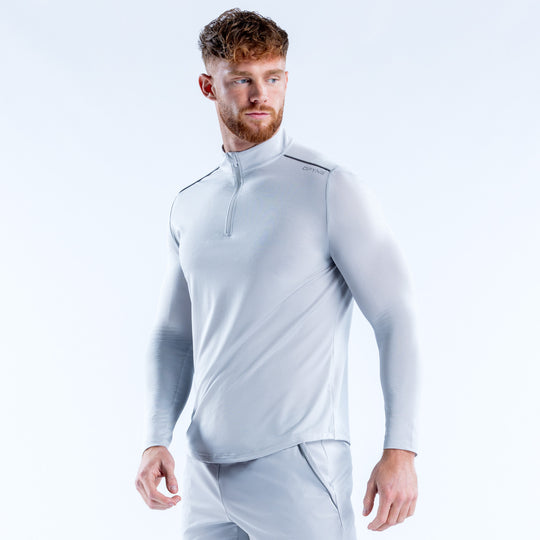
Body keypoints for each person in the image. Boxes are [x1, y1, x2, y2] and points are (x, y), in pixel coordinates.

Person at [135, 8, 421, 539]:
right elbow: (175, 334)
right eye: (241, 80)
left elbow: (394, 315)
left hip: (300, 467)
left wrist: (400, 449)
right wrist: (157, 437)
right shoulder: (190, 204)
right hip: (205, 475)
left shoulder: (329, 188)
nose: (259, 95)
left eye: (272, 78)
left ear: (287, 79)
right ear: (208, 86)